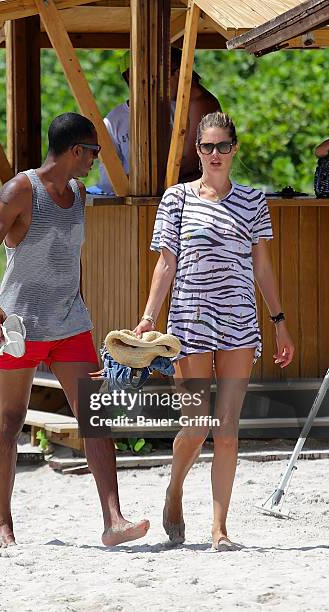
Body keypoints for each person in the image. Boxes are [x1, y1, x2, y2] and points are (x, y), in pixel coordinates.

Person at [0, 112, 149, 548]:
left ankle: (114, 521)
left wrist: (84, 307)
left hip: (70, 325)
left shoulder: (79, 191)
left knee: (94, 416)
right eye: (94, 152)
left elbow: (72, 259)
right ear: (75, 151)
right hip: (20, 327)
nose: (96, 161)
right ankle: (3, 524)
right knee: (9, 422)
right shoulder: (20, 191)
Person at [135, 112, 294, 550]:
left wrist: (279, 323)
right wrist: (149, 319)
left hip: (239, 322)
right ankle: (175, 490)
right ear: (197, 150)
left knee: (226, 429)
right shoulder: (176, 200)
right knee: (197, 424)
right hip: (189, 321)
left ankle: (219, 529)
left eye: (224, 146)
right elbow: (165, 265)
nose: (216, 154)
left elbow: (262, 266)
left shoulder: (252, 201)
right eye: (207, 147)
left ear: (234, 148)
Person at [95, 48, 220, 194]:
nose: (158, 84)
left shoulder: (200, 104)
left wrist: (144, 181)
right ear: (129, 77)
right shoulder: (113, 120)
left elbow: (192, 162)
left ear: (179, 73)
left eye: (160, 77)